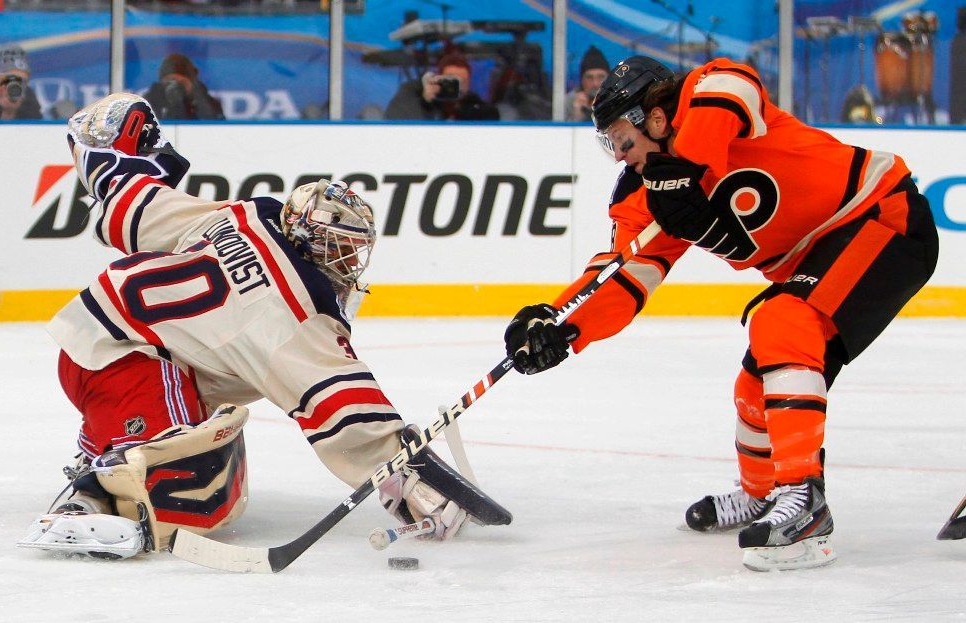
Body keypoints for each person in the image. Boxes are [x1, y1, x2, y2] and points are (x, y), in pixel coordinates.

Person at [18, 93, 510, 559]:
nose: (344, 263)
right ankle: (88, 502)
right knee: (204, 494)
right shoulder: (298, 316)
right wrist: (411, 484)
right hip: (128, 362)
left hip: (102, 345)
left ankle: (106, 447)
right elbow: (345, 409)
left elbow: (133, 204)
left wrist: (111, 148)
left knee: (217, 436)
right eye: (340, 249)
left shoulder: (245, 216)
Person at [503, 56, 938, 571]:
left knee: (781, 320)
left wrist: (688, 167)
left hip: (881, 217)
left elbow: (733, 86)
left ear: (656, 120)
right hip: (817, 261)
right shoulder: (645, 194)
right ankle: (764, 494)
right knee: (755, 387)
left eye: (622, 137)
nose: (621, 155)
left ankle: (807, 508)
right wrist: (562, 322)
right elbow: (626, 274)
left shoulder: (707, 92)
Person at [384, 52, 499, 121]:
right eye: (450, 80)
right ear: (438, 79)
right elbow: (397, 120)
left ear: (469, 84)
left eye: (462, 82)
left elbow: (492, 120)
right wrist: (426, 101)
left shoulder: (476, 107)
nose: (455, 87)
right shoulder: (415, 96)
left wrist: (464, 109)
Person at [142, 53, 225, 121]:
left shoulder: (208, 103)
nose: (175, 87)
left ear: (192, 83)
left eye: (181, 83)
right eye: (169, 82)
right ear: (161, 82)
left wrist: (199, 102)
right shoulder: (149, 103)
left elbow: (216, 129)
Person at [565, 45, 609, 122]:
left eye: (601, 77)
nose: (595, 83)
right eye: (589, 77)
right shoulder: (568, 102)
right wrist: (578, 115)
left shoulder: (619, 100)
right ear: (582, 80)